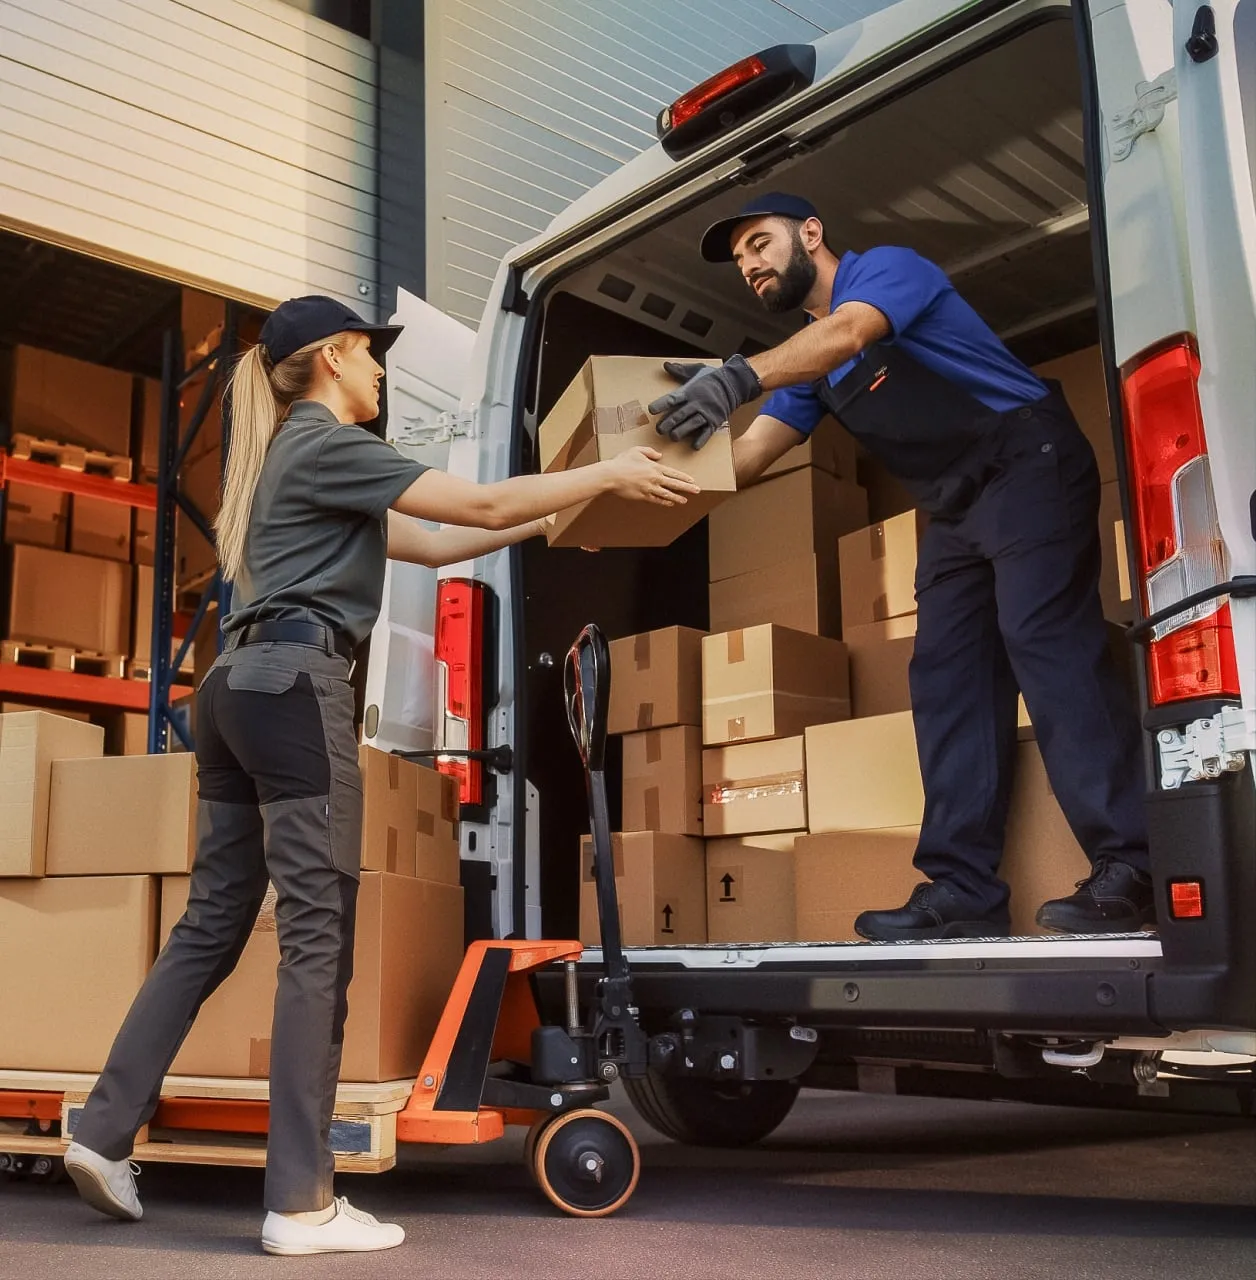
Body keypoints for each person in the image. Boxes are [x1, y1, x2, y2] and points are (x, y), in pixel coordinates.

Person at [63, 295, 699, 1255]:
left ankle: (104, 1132)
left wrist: (560, 513)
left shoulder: (290, 460)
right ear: (332, 356)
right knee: (316, 938)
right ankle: (300, 1204)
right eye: (371, 355)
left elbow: (441, 542)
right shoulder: (328, 442)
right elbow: (476, 503)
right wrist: (610, 469)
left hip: (234, 688)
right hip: (295, 690)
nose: (381, 372)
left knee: (212, 922)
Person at [649, 193, 1152, 942]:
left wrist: (737, 377)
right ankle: (964, 890)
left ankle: (1131, 866)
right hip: (955, 508)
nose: (750, 264)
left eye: (759, 242)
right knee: (945, 676)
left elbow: (850, 332)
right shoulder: (808, 364)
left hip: (1027, 462)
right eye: (739, 260)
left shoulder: (884, 272)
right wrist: (632, 504)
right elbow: (749, 455)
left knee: (1044, 641)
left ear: (811, 234)